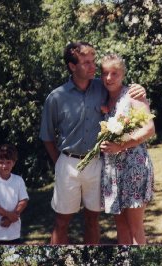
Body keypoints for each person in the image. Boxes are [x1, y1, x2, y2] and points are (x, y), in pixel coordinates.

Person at [39, 41, 146, 245]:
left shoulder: (101, 86)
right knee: (62, 222)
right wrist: (60, 163)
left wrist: (139, 88)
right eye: (86, 62)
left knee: (92, 219)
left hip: (97, 164)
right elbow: (47, 136)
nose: (93, 66)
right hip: (67, 163)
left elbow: (123, 90)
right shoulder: (56, 97)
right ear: (72, 66)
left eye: (93, 61)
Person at [99, 53, 155, 245]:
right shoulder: (104, 99)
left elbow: (149, 129)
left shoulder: (132, 95)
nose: (109, 78)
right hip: (112, 171)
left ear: (122, 74)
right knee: (121, 227)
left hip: (133, 167)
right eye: (105, 73)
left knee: (135, 227)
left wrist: (121, 145)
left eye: (114, 73)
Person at [0, 144, 29, 244]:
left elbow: (23, 201)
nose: (5, 166)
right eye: (1, 162)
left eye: (8, 162)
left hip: (14, 232)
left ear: (13, 163)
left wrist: (13, 216)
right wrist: (9, 215)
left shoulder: (18, 180)